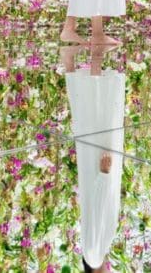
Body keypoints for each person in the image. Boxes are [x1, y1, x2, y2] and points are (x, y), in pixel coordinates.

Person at [65, 61, 125, 272]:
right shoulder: (94, 255)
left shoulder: (94, 256)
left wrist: (104, 174)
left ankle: (95, 59)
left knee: (99, 121)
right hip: (102, 175)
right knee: (95, 122)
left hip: (101, 172)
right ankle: (74, 63)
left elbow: (97, 213)